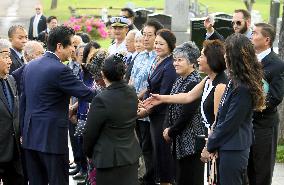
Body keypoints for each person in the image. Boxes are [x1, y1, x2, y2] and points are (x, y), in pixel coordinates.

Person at [143, 39, 227, 184]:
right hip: (195, 141)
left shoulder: (219, 84)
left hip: (203, 141)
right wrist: (161, 98)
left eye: (201, 56)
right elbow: (187, 97)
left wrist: (208, 147)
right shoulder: (207, 79)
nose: (198, 59)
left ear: (211, 59)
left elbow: (216, 120)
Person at [21, 26, 96, 185]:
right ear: (59, 46)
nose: (74, 50)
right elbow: (87, 93)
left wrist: (22, 132)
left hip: (30, 137)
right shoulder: (60, 69)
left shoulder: (30, 66)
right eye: (71, 46)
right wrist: (117, 93)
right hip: (52, 139)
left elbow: (24, 102)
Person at [207, 33, 265, 185]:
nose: (224, 56)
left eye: (227, 53)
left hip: (233, 148)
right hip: (227, 146)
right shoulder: (235, 81)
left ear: (234, 56)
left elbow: (230, 123)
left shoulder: (243, 88)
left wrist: (210, 144)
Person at [83, 54, 141, 185]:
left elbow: (90, 132)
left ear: (103, 74)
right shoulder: (131, 91)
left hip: (108, 159)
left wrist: (88, 152)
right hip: (130, 154)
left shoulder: (101, 99)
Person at [162, 41, 205, 185]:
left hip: (191, 143)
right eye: (175, 59)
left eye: (180, 60)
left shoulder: (194, 82)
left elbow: (186, 115)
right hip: (178, 141)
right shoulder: (179, 79)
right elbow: (172, 106)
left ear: (192, 63)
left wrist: (171, 131)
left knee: (190, 178)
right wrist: (167, 128)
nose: (175, 63)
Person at [139, 29, 177, 185]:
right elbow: (151, 87)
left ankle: (166, 181)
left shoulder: (170, 65)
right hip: (154, 114)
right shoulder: (157, 60)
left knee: (163, 154)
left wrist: (147, 109)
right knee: (157, 153)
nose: (157, 46)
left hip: (162, 115)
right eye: (156, 43)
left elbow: (164, 93)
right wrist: (142, 100)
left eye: (161, 44)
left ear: (170, 46)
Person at [248, 23, 284, 185]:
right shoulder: (248, 59)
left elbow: (275, 97)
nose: (251, 36)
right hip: (244, 125)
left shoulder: (277, 64)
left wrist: (248, 107)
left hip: (264, 126)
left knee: (261, 172)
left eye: (255, 33)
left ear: (267, 39)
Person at [129, 19, 163, 185]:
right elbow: (131, 80)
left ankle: (150, 178)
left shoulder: (159, 58)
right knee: (139, 146)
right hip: (135, 109)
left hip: (149, 109)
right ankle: (142, 176)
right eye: (144, 35)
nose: (146, 38)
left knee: (150, 148)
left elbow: (151, 85)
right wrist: (129, 97)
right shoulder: (139, 56)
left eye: (150, 35)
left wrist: (139, 98)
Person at [0, 39, 24, 185]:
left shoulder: (11, 80)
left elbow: (15, 112)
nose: (10, 61)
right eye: (5, 57)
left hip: (15, 152)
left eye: (10, 57)